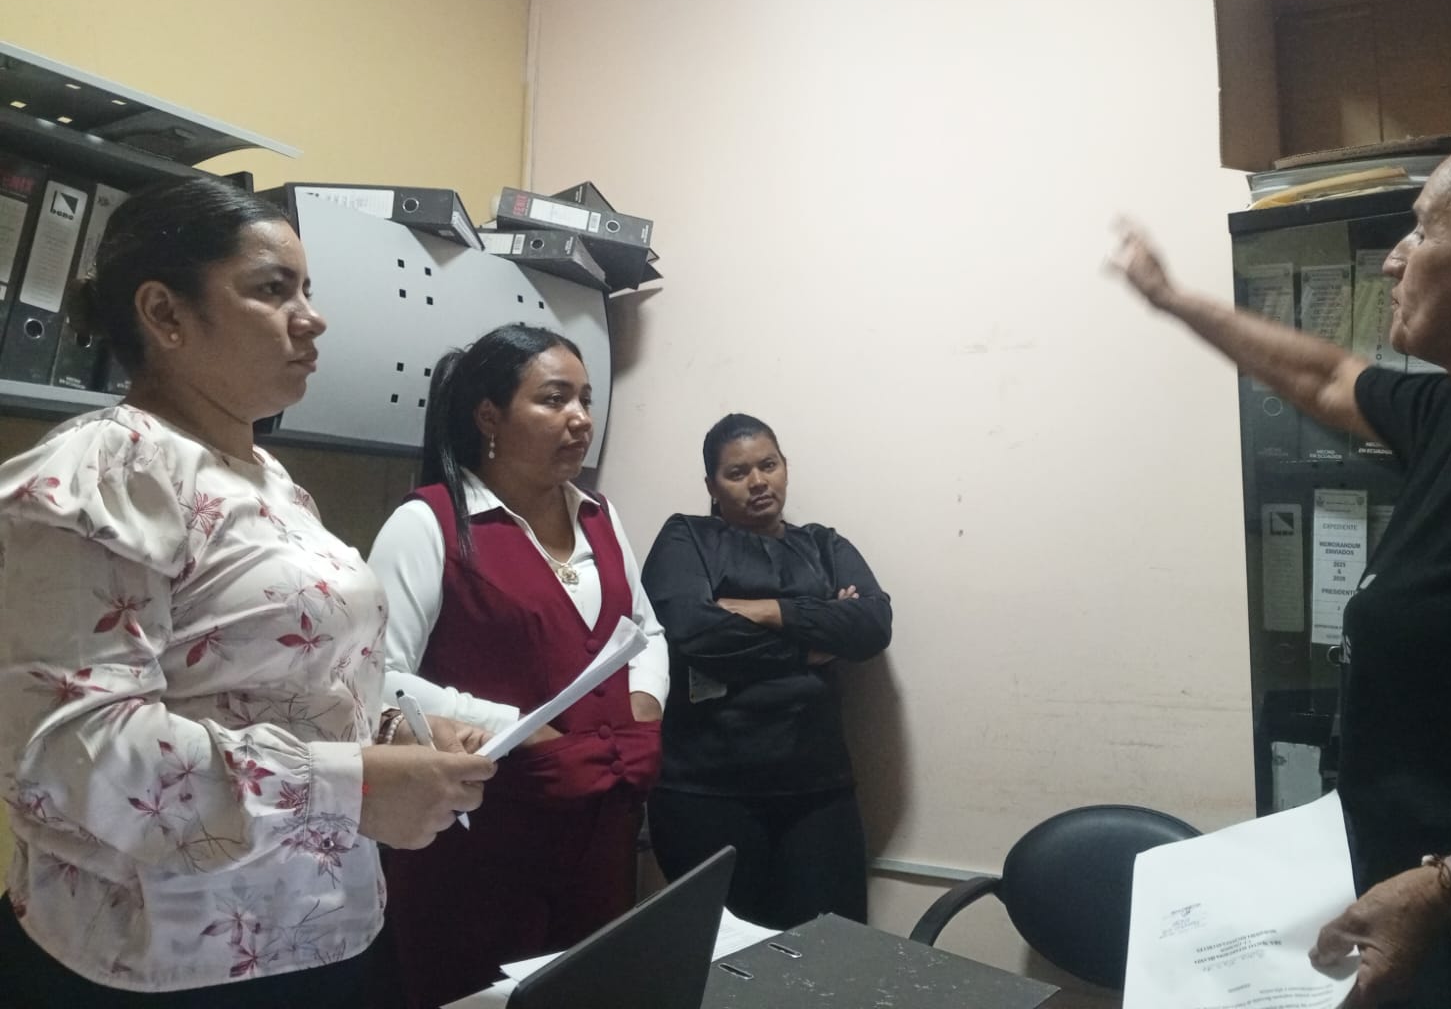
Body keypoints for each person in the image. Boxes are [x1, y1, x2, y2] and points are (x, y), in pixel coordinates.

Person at [1110, 116, 1451, 1008]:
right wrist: (1175, 301)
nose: (1392, 261)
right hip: (1433, 944)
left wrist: (1447, 889)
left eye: (1421, 230)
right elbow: (1326, 377)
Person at [0, 176, 494, 1007]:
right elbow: (70, 752)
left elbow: (276, 684)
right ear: (165, 314)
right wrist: (354, 787)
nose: (313, 317)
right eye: (272, 290)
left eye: (307, 289)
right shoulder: (102, 471)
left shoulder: (267, 479)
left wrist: (393, 735)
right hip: (160, 966)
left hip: (320, 932)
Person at [367, 323, 669, 1008]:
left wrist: (643, 702)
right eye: (554, 399)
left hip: (598, 836)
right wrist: (515, 727)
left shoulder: (600, 518)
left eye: (586, 400)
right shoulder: (431, 522)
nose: (580, 419)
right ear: (489, 416)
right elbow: (373, 675)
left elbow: (645, 628)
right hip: (480, 845)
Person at [642, 413, 893, 929]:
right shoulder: (688, 538)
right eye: (737, 473)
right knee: (724, 962)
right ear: (712, 486)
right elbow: (692, 633)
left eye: (769, 465)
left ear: (785, 467)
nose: (758, 481)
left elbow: (871, 625)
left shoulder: (824, 546)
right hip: (705, 793)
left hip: (818, 791)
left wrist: (768, 610)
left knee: (827, 955)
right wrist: (810, 644)